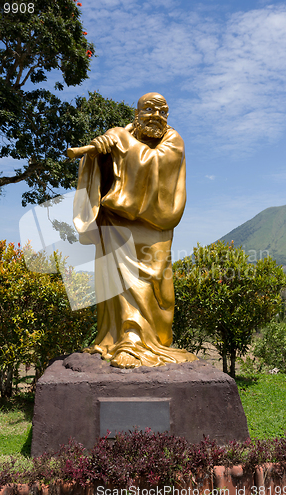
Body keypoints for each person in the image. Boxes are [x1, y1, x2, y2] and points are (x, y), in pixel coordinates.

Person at [73, 92, 197, 368]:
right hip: (117, 223)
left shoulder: (172, 139)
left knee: (160, 290)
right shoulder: (121, 134)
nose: (156, 116)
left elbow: (159, 164)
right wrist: (102, 156)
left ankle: (152, 342)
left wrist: (122, 143)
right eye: (149, 110)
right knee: (123, 284)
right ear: (136, 114)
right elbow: (106, 172)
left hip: (155, 228)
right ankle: (127, 339)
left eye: (162, 111)